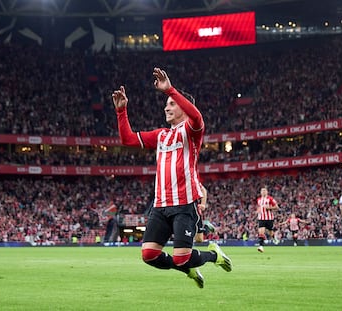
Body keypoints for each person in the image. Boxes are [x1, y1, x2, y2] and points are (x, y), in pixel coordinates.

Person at [112, 67, 232, 289]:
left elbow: (197, 116)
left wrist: (170, 89)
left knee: (180, 256)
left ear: (183, 107)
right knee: (149, 254)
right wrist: (121, 111)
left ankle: (214, 256)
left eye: (171, 104)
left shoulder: (191, 130)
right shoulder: (161, 135)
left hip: (184, 205)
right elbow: (128, 139)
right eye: (166, 103)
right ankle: (188, 269)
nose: (166, 107)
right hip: (160, 206)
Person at [256, 186, 279, 253]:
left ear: (267, 192)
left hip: (269, 218)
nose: (263, 192)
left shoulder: (270, 199)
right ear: (260, 192)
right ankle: (261, 246)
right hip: (261, 218)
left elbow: (277, 207)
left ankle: (274, 238)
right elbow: (259, 207)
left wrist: (269, 208)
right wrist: (258, 211)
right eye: (262, 191)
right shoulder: (258, 200)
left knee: (270, 232)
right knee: (261, 232)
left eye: (264, 190)